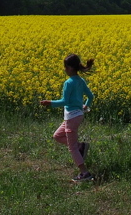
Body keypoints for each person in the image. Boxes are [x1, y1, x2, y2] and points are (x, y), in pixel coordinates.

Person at [40, 53, 95, 182]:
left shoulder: (68, 83)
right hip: (77, 116)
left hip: (71, 117)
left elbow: (65, 101)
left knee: (72, 148)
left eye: (65, 67)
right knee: (57, 136)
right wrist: (85, 107)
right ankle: (81, 147)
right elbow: (91, 96)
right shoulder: (81, 81)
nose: (64, 69)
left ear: (70, 68)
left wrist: (50, 104)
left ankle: (85, 173)